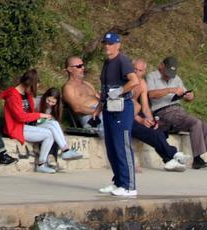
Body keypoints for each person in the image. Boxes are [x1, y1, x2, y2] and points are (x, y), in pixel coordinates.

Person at [147, 56, 207, 169]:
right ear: (161, 66)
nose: (169, 75)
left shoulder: (177, 78)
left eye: (171, 73)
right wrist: (170, 90)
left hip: (179, 111)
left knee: (205, 126)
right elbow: (151, 94)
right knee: (194, 123)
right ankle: (197, 159)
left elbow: (185, 95)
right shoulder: (152, 76)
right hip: (163, 112)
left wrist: (189, 96)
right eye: (167, 72)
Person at [0, 68, 82, 173]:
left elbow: (30, 112)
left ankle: (65, 150)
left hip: (29, 125)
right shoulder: (13, 95)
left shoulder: (26, 93)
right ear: (29, 84)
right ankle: (42, 164)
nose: (34, 91)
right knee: (49, 134)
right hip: (17, 127)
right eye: (34, 87)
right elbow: (20, 117)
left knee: (53, 123)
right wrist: (40, 115)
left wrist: (41, 117)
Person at [97, 33, 140, 196]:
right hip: (109, 107)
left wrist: (120, 91)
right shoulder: (107, 62)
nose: (107, 46)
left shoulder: (122, 61)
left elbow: (134, 81)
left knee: (122, 145)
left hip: (122, 108)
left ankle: (129, 186)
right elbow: (104, 88)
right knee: (111, 146)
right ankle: (118, 182)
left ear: (118, 45)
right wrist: (98, 109)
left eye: (110, 43)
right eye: (105, 43)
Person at [129, 58, 190, 172]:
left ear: (144, 71)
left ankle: (169, 160)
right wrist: (140, 120)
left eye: (140, 70)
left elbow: (146, 107)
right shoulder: (126, 82)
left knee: (156, 129)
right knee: (150, 133)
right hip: (125, 118)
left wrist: (151, 120)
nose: (137, 73)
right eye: (135, 69)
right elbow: (125, 108)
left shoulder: (142, 83)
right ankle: (173, 154)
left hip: (135, 114)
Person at [62, 56, 100, 129]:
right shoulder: (69, 87)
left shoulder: (87, 84)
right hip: (89, 116)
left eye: (83, 65)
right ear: (70, 69)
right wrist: (100, 111)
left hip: (100, 111)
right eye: (79, 66)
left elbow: (101, 99)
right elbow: (77, 108)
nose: (83, 68)